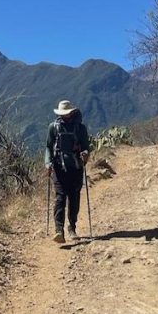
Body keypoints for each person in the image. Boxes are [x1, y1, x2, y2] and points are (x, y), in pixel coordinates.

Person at [45, 99, 90, 243]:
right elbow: (48, 146)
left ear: (71, 112)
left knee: (74, 198)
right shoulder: (53, 127)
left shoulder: (80, 128)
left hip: (76, 168)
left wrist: (85, 154)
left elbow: (86, 146)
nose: (64, 116)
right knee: (60, 198)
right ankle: (59, 230)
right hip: (59, 168)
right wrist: (48, 162)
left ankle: (72, 227)